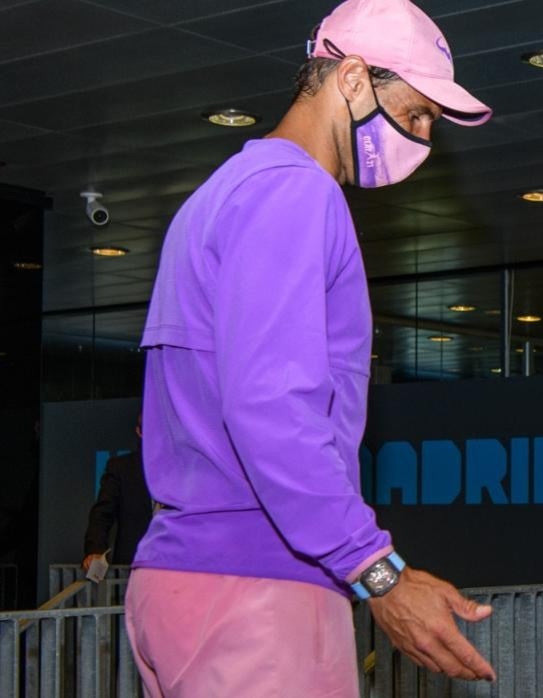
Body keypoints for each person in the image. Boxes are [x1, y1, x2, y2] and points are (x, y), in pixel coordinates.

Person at [123, 0, 496, 694]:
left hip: (183, 586)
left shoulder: (218, 195)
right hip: (257, 593)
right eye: (415, 113)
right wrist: (376, 571)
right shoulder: (299, 195)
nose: (421, 138)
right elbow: (270, 406)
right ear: (352, 79)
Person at [82, 412, 152, 573]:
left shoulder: (181, 468)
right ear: (139, 432)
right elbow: (102, 513)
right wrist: (95, 550)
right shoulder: (121, 467)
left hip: (175, 567)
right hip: (131, 566)